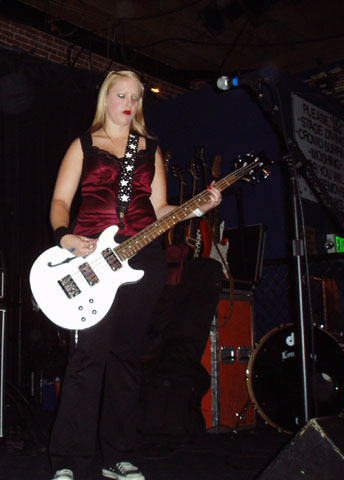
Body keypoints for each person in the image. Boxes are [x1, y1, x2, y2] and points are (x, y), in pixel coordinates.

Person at [47, 70, 222, 480]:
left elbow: (160, 210)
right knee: (87, 357)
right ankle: (69, 460)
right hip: (92, 258)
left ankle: (118, 457)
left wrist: (196, 207)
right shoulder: (84, 145)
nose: (129, 103)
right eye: (121, 95)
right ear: (106, 98)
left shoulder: (150, 149)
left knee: (126, 359)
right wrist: (65, 237)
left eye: (136, 97)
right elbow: (60, 201)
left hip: (143, 260)